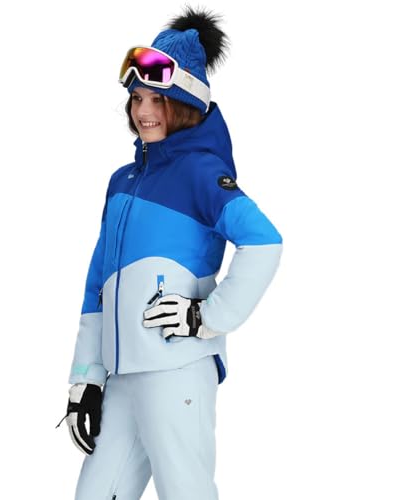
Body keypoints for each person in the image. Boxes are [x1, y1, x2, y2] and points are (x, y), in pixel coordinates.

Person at [58, 6, 283, 500]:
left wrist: (207, 317)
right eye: (137, 98)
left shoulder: (200, 173)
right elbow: (98, 284)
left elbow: (264, 241)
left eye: (158, 100)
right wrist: (85, 379)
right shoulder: (122, 181)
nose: (144, 111)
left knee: (185, 491)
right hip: (122, 378)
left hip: (176, 371)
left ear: (184, 104)